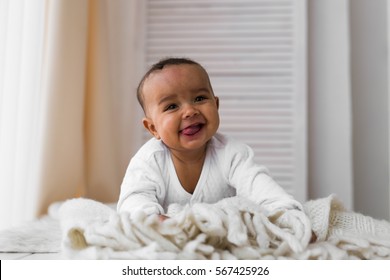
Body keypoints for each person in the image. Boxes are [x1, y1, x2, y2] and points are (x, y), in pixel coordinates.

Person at [117, 57, 305, 224]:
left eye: (199, 98)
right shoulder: (149, 160)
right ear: (153, 128)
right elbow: (133, 201)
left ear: (216, 105)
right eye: (172, 106)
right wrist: (154, 220)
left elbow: (265, 191)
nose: (190, 111)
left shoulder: (232, 154)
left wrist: (288, 217)